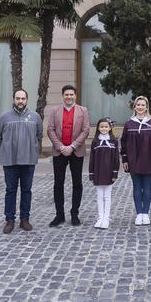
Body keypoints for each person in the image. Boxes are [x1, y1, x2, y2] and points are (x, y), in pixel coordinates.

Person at [0, 89, 43, 234]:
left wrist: (33, 150)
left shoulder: (35, 117)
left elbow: (39, 136)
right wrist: (7, 148)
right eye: (18, 98)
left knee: (26, 190)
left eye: (23, 98)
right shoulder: (4, 117)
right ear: (13, 99)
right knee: (10, 190)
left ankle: (24, 219)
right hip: (10, 161)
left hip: (28, 161)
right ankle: (9, 220)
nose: (20, 101)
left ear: (27, 100)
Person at [46, 84, 91, 227]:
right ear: (62, 96)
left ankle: (74, 214)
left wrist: (72, 146)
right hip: (59, 152)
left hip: (76, 152)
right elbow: (50, 130)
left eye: (71, 94)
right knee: (58, 184)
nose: (69, 97)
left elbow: (85, 130)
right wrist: (60, 147)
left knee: (77, 183)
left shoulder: (83, 111)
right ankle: (59, 215)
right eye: (66, 95)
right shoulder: (54, 111)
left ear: (75, 96)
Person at [120, 96, 151, 226]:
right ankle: (139, 214)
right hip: (133, 160)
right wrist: (125, 159)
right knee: (137, 188)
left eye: (143, 105)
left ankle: (146, 213)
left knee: (148, 188)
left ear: (146, 107)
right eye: (138, 105)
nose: (140, 107)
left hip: (149, 159)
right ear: (135, 107)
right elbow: (124, 143)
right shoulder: (129, 123)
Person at [88, 118, 119, 229]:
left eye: (106, 126)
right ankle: (100, 217)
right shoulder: (95, 142)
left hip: (109, 172)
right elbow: (92, 159)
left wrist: (115, 173)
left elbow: (116, 159)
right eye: (101, 127)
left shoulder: (114, 141)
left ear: (110, 128)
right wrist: (91, 174)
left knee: (107, 195)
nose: (104, 129)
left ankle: (106, 217)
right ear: (98, 128)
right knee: (99, 196)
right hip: (97, 171)